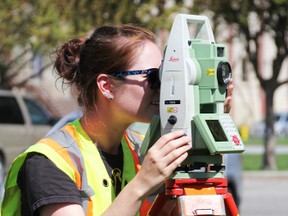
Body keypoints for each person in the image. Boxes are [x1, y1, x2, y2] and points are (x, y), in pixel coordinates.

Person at [1, 24, 233, 216]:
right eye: (154, 77)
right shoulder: (49, 162)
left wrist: (205, 118)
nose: (163, 88)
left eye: (168, 74)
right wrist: (141, 185)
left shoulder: (140, 149)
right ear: (107, 86)